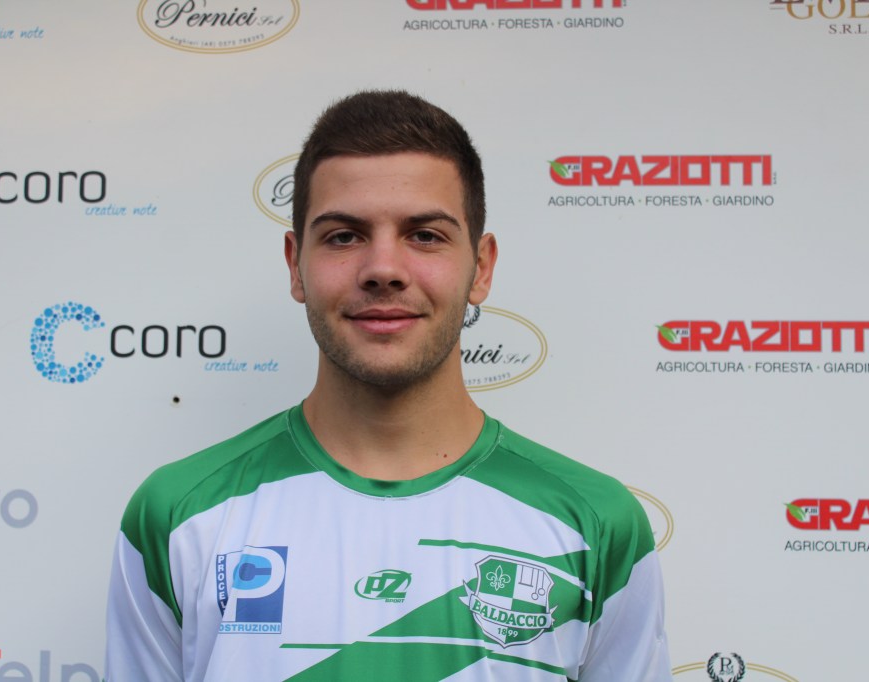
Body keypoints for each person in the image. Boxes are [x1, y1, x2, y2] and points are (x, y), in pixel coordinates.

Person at [105, 90, 671, 681]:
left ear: (481, 268)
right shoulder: (179, 515)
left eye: (424, 235)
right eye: (343, 236)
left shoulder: (594, 523)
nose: (383, 269)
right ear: (295, 264)